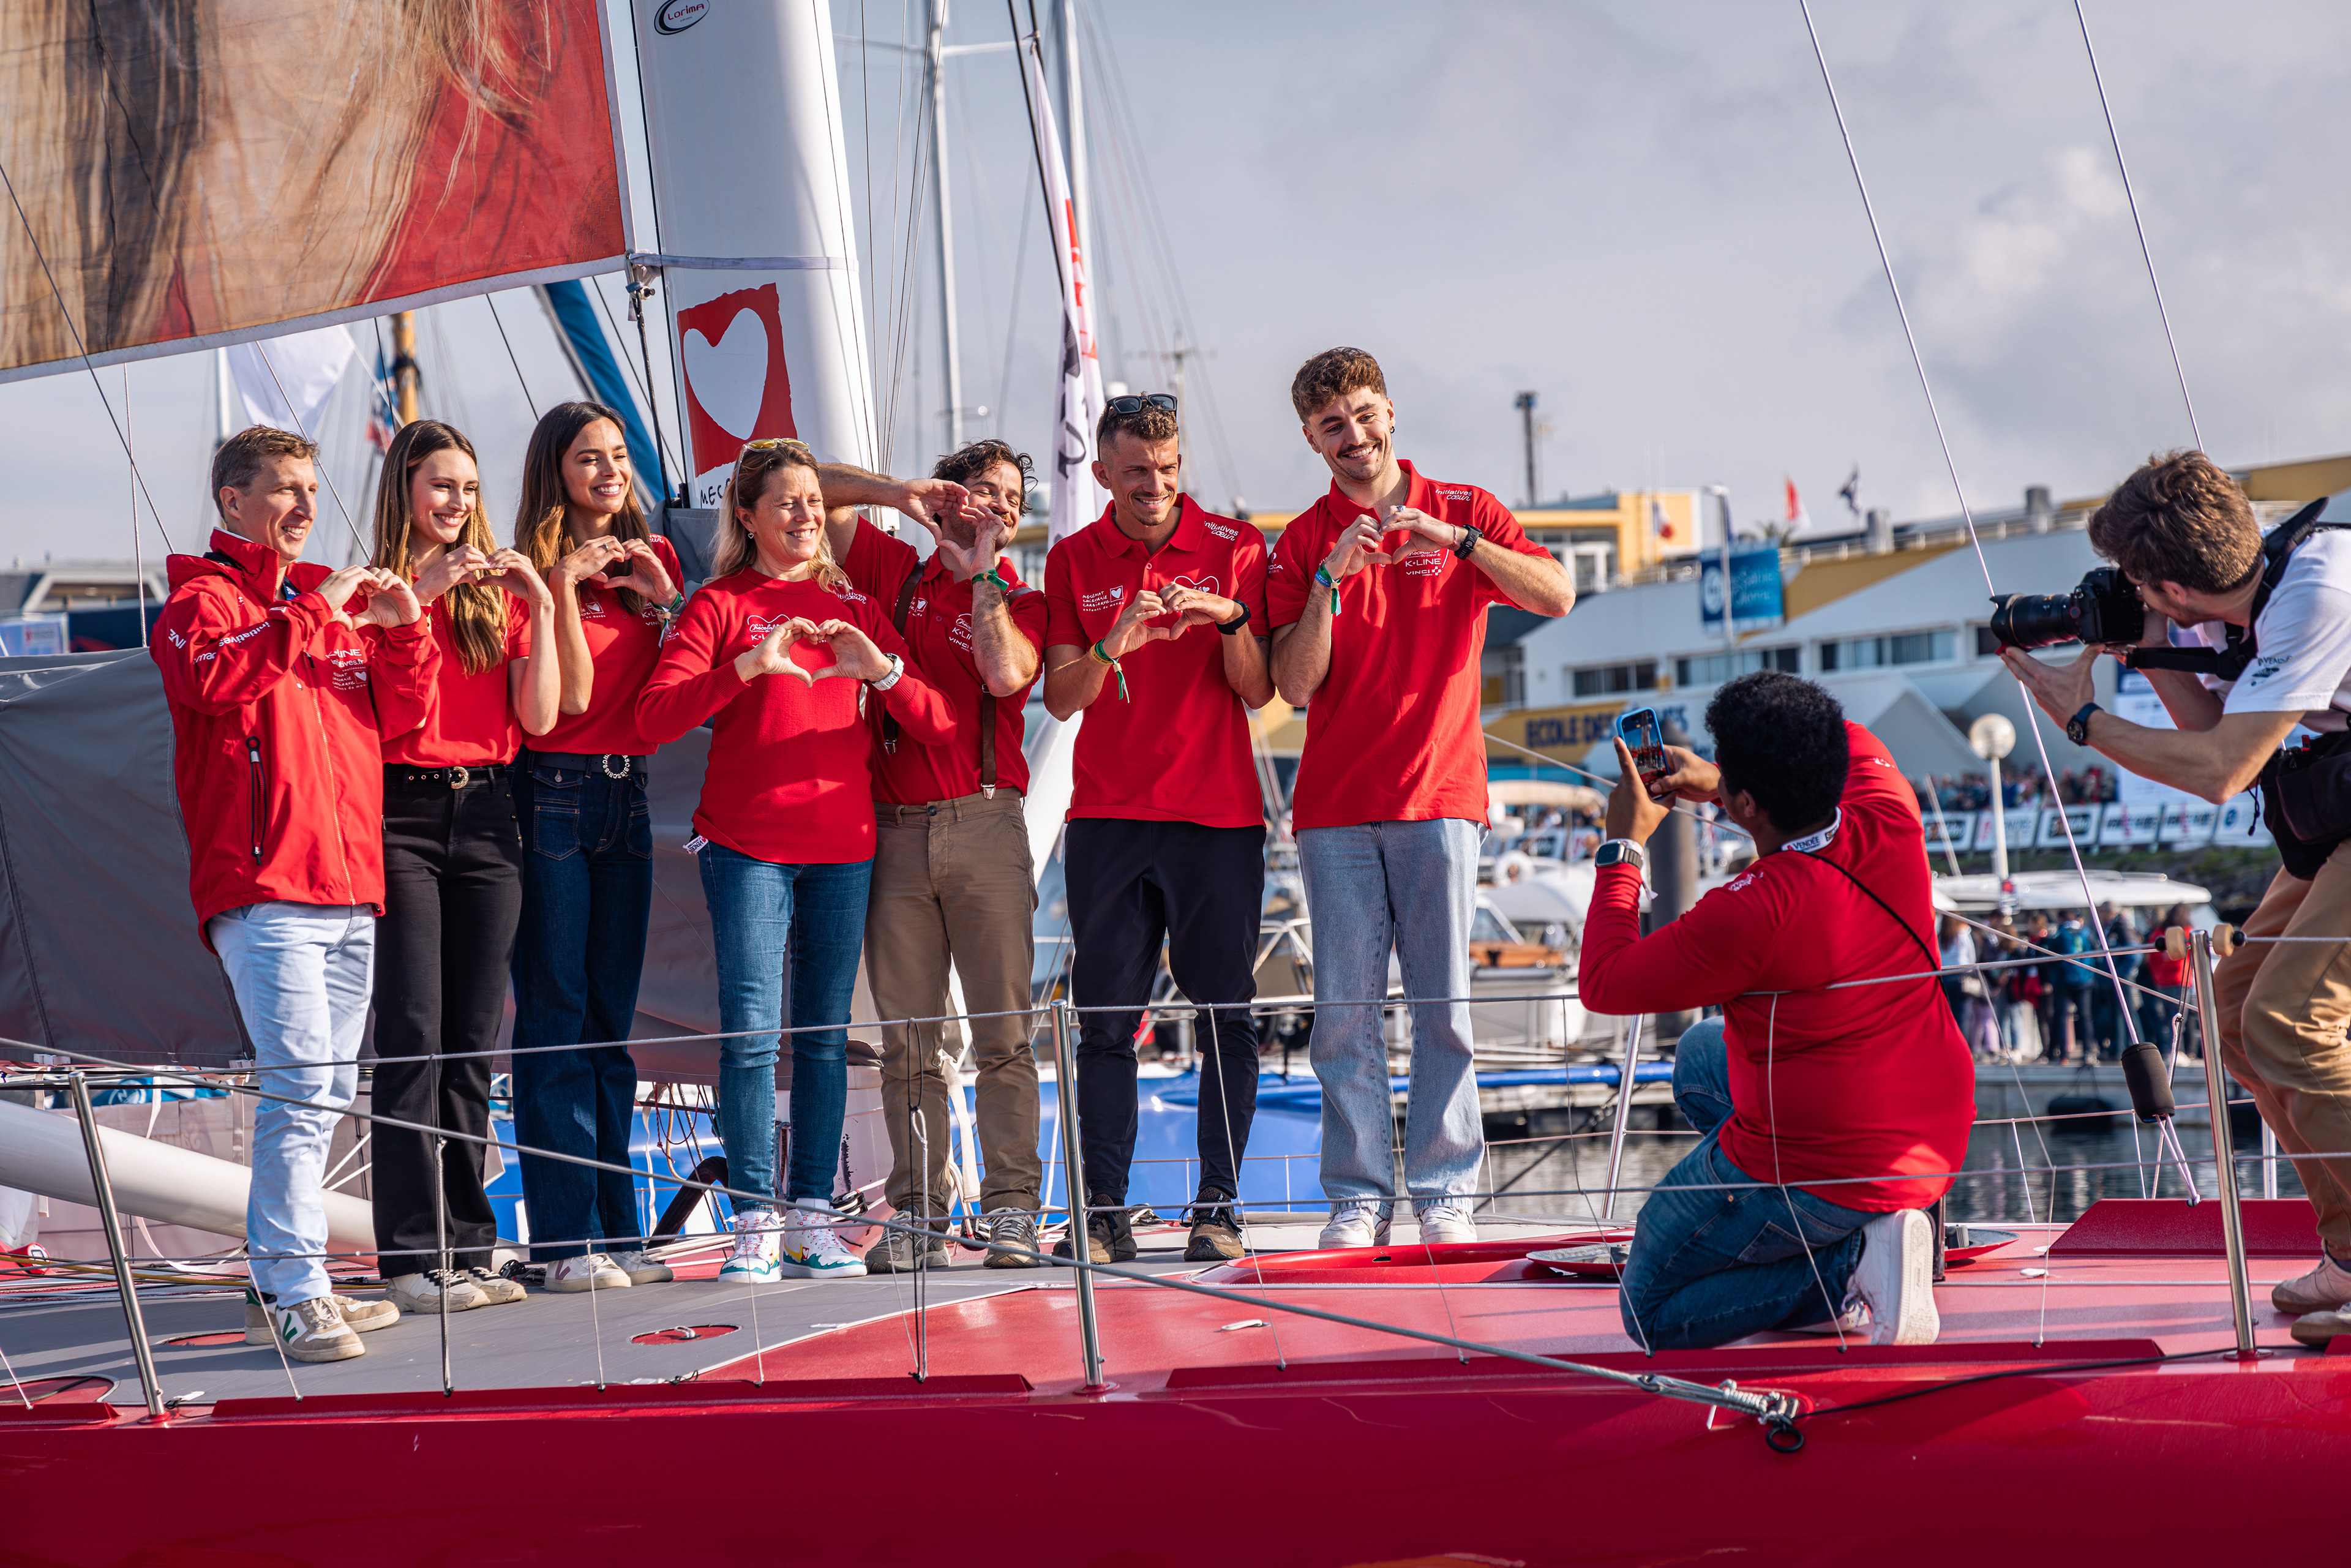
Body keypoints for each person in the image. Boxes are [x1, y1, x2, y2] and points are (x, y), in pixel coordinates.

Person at [2002, 448, 2351, 1326]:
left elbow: (2223, 770)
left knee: (2290, 1018)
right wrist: (2139, 644)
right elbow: (2209, 724)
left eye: (2136, 582)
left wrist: (2081, 718)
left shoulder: (2318, 592)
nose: (2129, 590)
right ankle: (2349, 1250)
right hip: (2334, 827)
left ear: (2174, 583)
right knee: (2232, 1008)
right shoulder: (2215, 606)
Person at [1267, 348, 1574, 1248]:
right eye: (1332, 425)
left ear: (1390, 412)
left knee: (1446, 1011)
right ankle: (1358, 1196)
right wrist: (1330, 578)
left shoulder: (1464, 509)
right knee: (1344, 1020)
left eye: (1364, 415)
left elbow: (1558, 593)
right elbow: (1292, 684)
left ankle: (1444, 1190)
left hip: (1441, 796)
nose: (1353, 436)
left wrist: (1461, 545)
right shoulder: (1301, 540)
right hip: (1334, 807)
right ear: (1312, 439)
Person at [1580, 672, 1976, 1348]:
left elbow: (1605, 982)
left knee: (1650, 1304)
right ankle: (1878, 1222)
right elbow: (1838, 733)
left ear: (1746, 803)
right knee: (1701, 1053)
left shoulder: (1753, 910)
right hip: (1934, 1130)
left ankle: (1855, 1258)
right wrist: (1716, 779)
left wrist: (1624, 846)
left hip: (1838, 1159)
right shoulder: (1890, 806)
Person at [638, 438, 951, 1283]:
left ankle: (813, 1215)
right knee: (750, 1038)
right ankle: (754, 1222)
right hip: (746, 850)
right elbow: (654, 718)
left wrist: (878, 668)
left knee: (819, 1039)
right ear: (746, 516)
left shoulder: (850, 608)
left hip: (842, 850)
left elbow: (939, 722)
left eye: (814, 501)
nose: (806, 515)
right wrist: (745, 667)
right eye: (786, 502)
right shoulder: (720, 606)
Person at [153, 426, 436, 1362]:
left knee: (322, 1095)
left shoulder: (326, 607)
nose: (307, 506)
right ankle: (292, 1285)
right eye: (285, 489)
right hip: (266, 886)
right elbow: (213, 676)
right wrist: (325, 612)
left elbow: (404, 719)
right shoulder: (200, 601)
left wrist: (403, 631)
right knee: (304, 1085)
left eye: (312, 488)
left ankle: (285, 1275)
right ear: (233, 502)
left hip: (350, 887)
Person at [1039, 393, 1275, 1265]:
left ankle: (1219, 1208)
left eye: (1168, 470)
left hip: (1215, 818)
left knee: (1227, 1017)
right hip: (1107, 819)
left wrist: (1235, 621)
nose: (1155, 486)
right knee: (1104, 1024)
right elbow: (1063, 697)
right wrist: (1116, 641)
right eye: (1136, 471)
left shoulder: (1234, 547)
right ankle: (1103, 1214)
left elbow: (1258, 691)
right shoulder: (1072, 558)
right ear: (1101, 472)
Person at [811, 441, 1050, 1273]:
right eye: (984, 491)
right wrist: (897, 492)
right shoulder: (890, 567)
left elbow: (1003, 676)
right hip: (896, 827)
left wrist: (981, 571)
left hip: (986, 821)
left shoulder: (1021, 596)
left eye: (1012, 498)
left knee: (1003, 1038)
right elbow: (804, 482)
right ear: (949, 495)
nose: (1001, 507)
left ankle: (1014, 1211)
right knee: (909, 1042)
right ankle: (918, 1216)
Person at [364, 419, 557, 1315]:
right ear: (405, 487)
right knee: (413, 1036)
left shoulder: (498, 598)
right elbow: (394, 724)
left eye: (471, 490)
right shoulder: (374, 594)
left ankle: (470, 1248)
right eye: (443, 486)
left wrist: (545, 607)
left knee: (473, 1046)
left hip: (490, 813)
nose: (459, 504)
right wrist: (417, 597)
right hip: (401, 810)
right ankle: (409, 1256)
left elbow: (542, 718)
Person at [509, 402, 683, 1293]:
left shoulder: (654, 569)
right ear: (557, 473)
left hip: (629, 797)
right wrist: (568, 586)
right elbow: (570, 700)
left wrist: (664, 603)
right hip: (555, 795)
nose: (610, 471)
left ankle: (619, 1233)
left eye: (618, 456)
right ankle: (565, 1242)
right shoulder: (533, 577)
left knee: (609, 1025)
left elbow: (685, 685)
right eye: (589, 459)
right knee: (555, 1019)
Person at [2139, 902, 2191, 1049]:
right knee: (2180, 1019)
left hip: (2162, 981)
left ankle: (2169, 1049)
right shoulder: (2186, 931)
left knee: (2168, 1018)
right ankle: (2177, 1051)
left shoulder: (2158, 932)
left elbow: (2149, 957)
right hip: (2180, 979)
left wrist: (2156, 976)